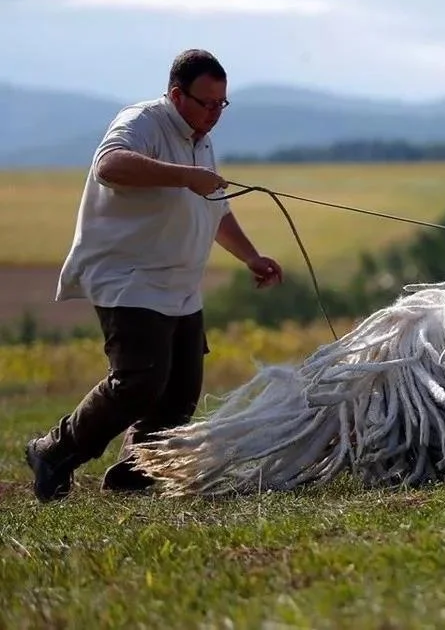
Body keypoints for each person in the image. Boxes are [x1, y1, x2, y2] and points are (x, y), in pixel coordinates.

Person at [24, 48, 284, 502]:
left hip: (180, 284)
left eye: (222, 104)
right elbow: (109, 165)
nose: (214, 114)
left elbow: (213, 210)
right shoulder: (142, 122)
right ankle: (53, 451)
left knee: (181, 390)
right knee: (140, 381)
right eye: (206, 103)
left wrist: (251, 256)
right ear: (175, 94)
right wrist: (186, 175)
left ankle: (136, 473)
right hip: (129, 276)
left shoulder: (201, 137)